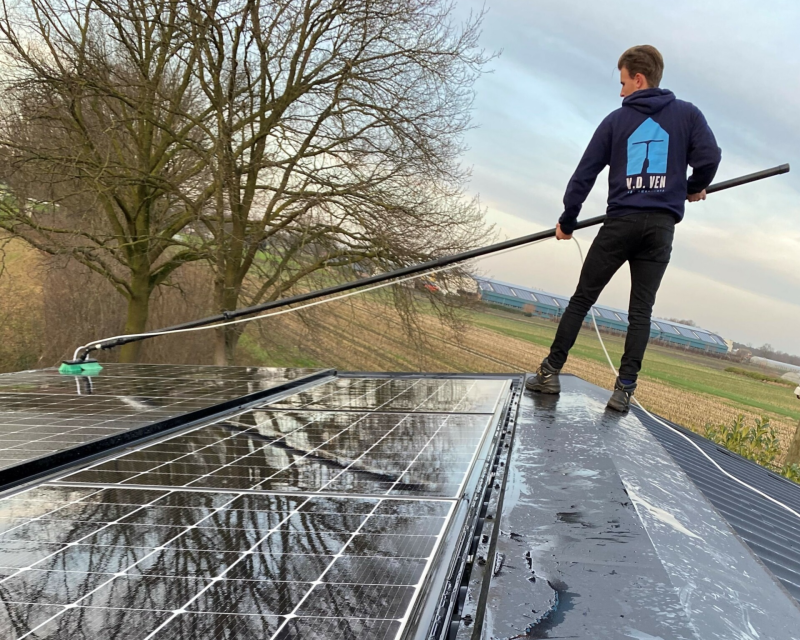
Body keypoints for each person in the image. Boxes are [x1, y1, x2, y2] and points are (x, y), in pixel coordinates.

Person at [526, 45, 721, 411]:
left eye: (622, 82)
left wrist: (568, 220)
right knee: (640, 312)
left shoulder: (616, 121)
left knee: (582, 299)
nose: (620, 92)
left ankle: (550, 373)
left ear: (638, 78)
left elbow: (584, 173)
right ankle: (624, 391)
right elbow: (710, 157)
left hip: (620, 222)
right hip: (661, 229)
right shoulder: (688, 115)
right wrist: (694, 186)